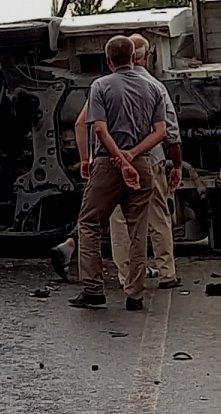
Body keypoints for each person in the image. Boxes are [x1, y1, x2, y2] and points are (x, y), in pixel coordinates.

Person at [69, 35, 167, 312]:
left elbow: (99, 128)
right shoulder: (154, 88)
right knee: (138, 229)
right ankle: (135, 294)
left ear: (108, 59)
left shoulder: (100, 86)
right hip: (143, 164)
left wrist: (118, 159)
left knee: (89, 223)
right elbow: (160, 131)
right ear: (134, 57)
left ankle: (93, 288)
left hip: (107, 165)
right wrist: (132, 155)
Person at [107, 34, 183, 289]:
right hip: (151, 160)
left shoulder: (104, 87)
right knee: (157, 216)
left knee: (120, 221)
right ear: (147, 56)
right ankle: (167, 273)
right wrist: (177, 165)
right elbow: (170, 132)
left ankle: (127, 275)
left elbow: (94, 126)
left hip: (117, 162)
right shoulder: (155, 87)